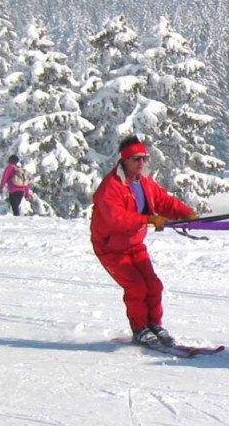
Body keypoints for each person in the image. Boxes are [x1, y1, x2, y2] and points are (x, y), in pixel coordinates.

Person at [90, 135, 198, 347]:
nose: (141, 163)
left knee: (154, 286)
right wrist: (148, 219)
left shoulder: (144, 182)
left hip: (134, 244)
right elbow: (117, 220)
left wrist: (187, 214)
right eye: (136, 159)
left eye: (144, 158)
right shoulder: (110, 186)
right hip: (110, 247)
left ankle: (155, 325)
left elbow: (163, 201)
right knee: (136, 288)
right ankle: (140, 329)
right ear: (125, 160)